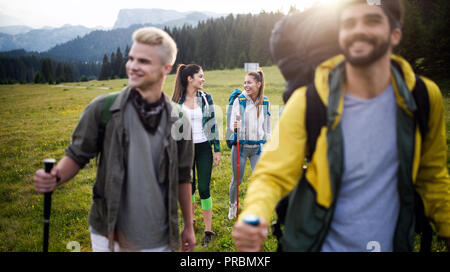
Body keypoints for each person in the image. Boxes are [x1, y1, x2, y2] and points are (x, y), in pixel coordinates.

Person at [233, 0, 450, 252]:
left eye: (372, 20)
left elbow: (432, 175)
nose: (358, 29)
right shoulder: (310, 100)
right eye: (349, 23)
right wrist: (256, 213)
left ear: (395, 34)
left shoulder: (423, 97)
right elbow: (272, 172)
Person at [33, 27, 196, 252]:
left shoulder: (180, 119)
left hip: (159, 240)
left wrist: (189, 225)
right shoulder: (103, 109)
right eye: (131, 58)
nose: (132, 66)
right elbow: (77, 155)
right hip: (108, 237)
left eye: (143, 61)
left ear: (165, 68)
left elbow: (183, 176)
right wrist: (55, 177)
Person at [172, 64, 221, 247]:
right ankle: (190, 222)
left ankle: (208, 230)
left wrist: (216, 150)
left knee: (203, 188)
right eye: (200, 76)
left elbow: (213, 125)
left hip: (203, 149)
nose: (203, 79)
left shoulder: (206, 98)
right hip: (184, 151)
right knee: (188, 189)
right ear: (189, 79)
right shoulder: (177, 100)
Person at [228, 69, 271, 220]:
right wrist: (234, 127)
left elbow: (267, 124)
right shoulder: (239, 100)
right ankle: (232, 205)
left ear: (258, 84)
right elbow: (232, 125)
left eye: (249, 82)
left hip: (257, 148)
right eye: (245, 82)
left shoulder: (265, 101)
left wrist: (268, 138)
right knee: (237, 180)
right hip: (240, 147)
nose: (246, 85)